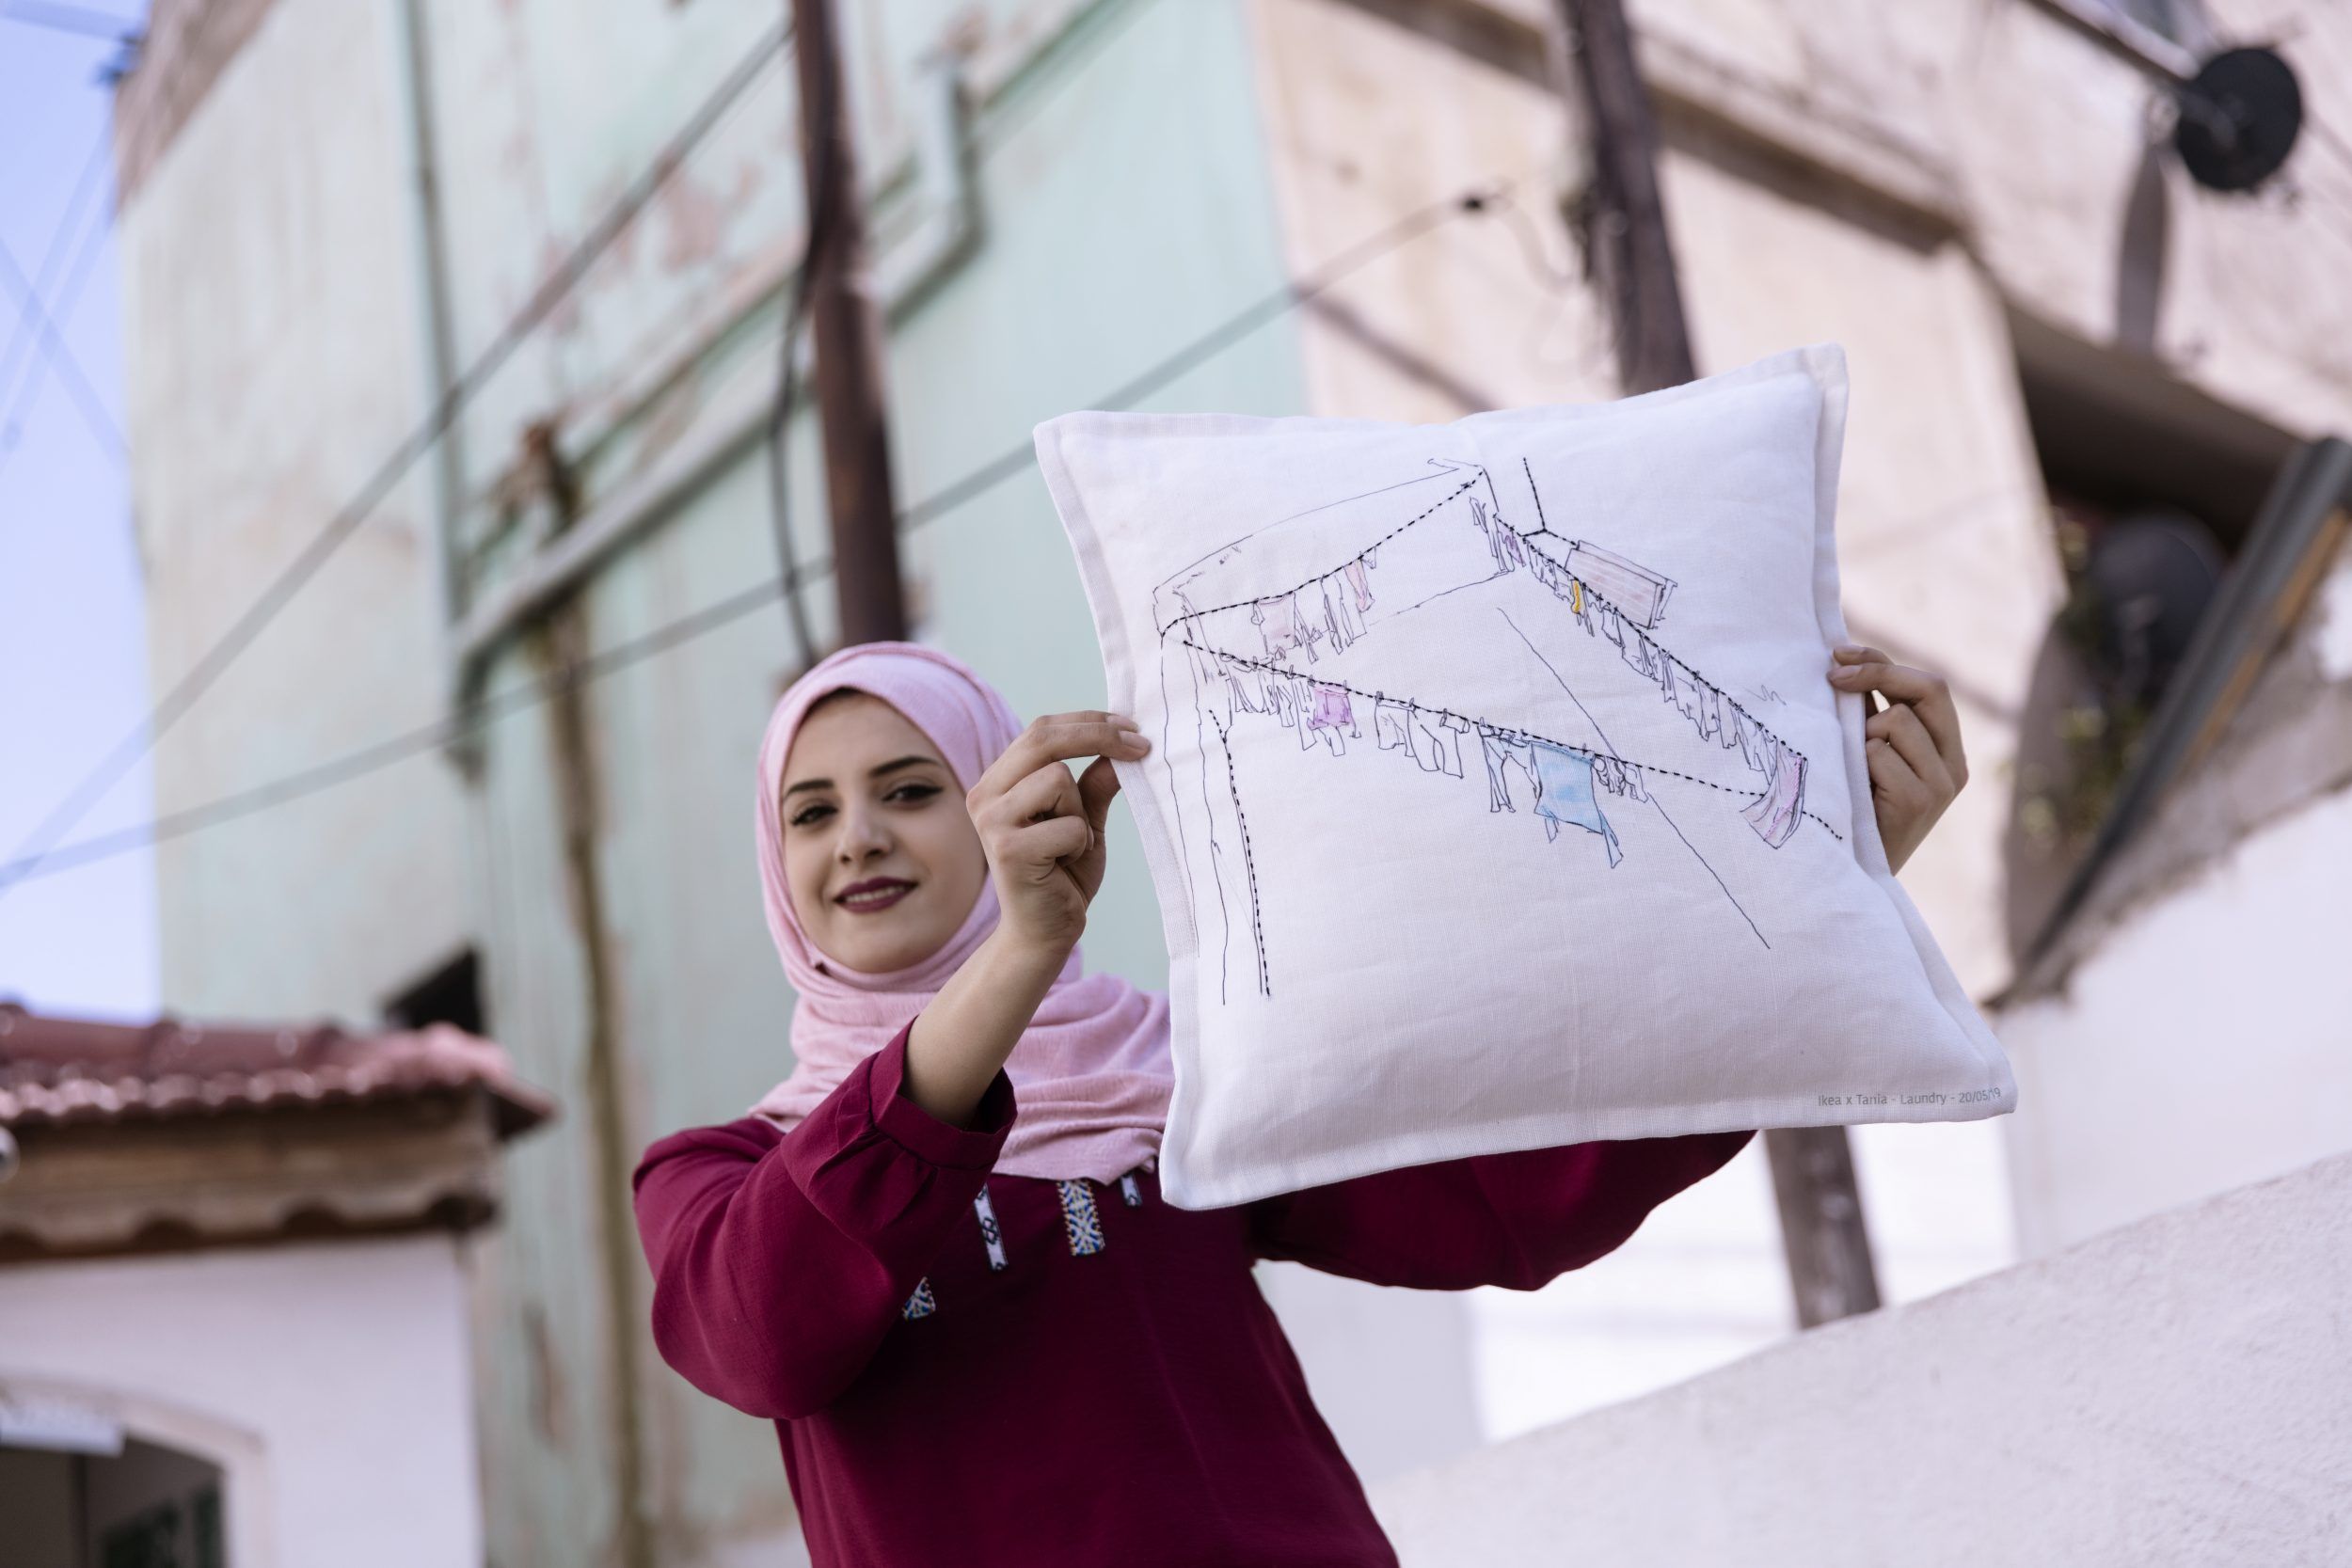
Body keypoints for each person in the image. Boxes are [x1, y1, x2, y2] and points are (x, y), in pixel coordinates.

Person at [631, 638, 1966, 1567]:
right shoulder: (719, 1180)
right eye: (809, 813)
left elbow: (1508, 1198)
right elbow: (767, 1334)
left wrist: (1818, 894)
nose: (855, 836)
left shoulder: (1184, 1082)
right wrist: (1020, 960)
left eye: (911, 790)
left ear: (987, 817)